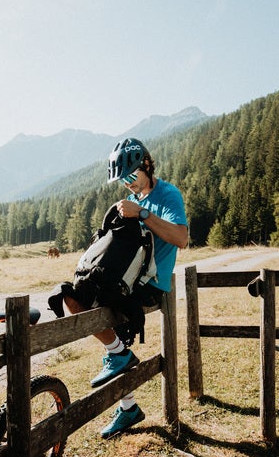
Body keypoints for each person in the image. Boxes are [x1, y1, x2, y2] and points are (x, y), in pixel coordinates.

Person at [63, 137, 188, 438]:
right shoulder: (131, 200)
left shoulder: (167, 194)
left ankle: (123, 379)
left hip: (150, 285)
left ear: (146, 164)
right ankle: (126, 394)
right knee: (71, 296)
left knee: (107, 320)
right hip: (126, 280)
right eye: (123, 180)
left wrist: (142, 213)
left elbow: (181, 238)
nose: (128, 184)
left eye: (131, 176)